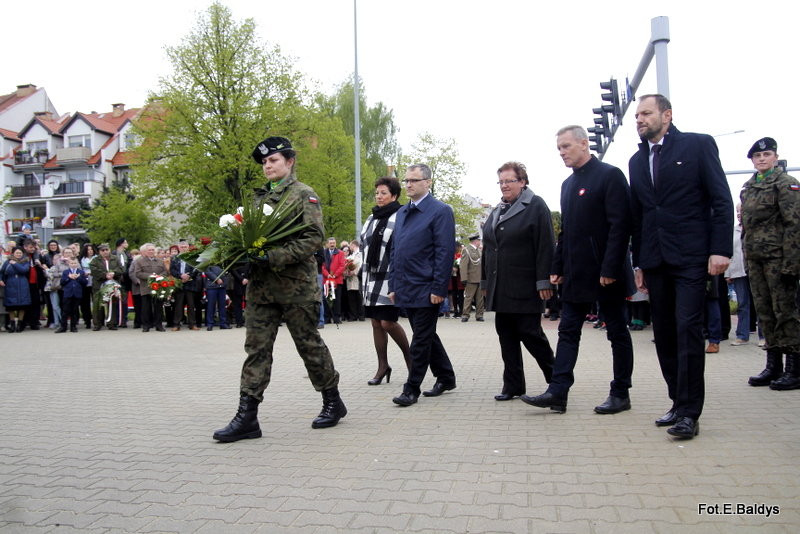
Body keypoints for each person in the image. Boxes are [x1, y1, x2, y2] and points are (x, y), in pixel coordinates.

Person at [213, 136, 346, 442]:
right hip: (262, 290)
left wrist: (273, 256)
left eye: (273, 160)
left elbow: (313, 238)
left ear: (289, 161)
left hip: (296, 287)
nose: (267, 166)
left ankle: (332, 401)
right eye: (264, 163)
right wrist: (240, 257)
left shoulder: (304, 195)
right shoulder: (257, 199)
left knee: (309, 346)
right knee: (256, 350)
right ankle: (247, 418)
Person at [629, 94, 733, 439]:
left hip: (691, 256)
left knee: (688, 329)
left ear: (667, 115)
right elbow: (641, 214)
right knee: (666, 335)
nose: (639, 119)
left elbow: (721, 199)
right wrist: (640, 262)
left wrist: (720, 250)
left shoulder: (697, 146)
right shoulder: (636, 161)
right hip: (655, 260)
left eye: (646, 113)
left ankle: (690, 412)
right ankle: (676, 401)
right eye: (637, 115)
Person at [521, 126, 634, 415]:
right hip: (576, 273)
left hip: (606, 273)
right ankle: (558, 391)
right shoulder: (568, 185)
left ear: (584, 144)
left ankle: (620, 392)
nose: (562, 153)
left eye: (567, 146)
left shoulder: (610, 175)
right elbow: (566, 231)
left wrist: (610, 267)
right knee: (568, 331)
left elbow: (620, 226)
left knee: (617, 332)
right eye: (559, 148)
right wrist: (557, 267)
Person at [482, 161, 556, 401]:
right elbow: (488, 250)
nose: (504, 186)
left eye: (509, 181)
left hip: (525, 285)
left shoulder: (535, 205)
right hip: (500, 285)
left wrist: (544, 281)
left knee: (531, 334)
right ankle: (513, 385)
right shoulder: (497, 210)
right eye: (501, 181)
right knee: (506, 334)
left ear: (523, 181)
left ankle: (557, 381)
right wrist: (485, 283)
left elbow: (545, 245)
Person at [388, 163, 457, 406]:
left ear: (427, 182)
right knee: (424, 335)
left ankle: (411, 388)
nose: (408, 184)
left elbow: (444, 252)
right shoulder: (403, 212)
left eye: (414, 180)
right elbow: (396, 250)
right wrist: (394, 284)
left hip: (427, 287)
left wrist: (439, 288)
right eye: (406, 180)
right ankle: (446, 377)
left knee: (420, 341)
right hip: (407, 286)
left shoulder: (440, 211)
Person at [740, 137, 800, 390]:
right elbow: (747, 225)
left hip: (779, 259)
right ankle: (772, 365)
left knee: (785, 312)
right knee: (765, 312)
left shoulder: (786, 184)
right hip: (755, 258)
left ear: (775, 157)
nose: (762, 159)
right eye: (757, 156)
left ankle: (794, 368)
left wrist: (792, 265)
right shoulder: (749, 186)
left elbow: (795, 225)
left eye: (767, 155)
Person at [360, 177, 412, 385]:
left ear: (394, 195)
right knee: (375, 323)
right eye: (377, 193)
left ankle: (411, 361)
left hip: (391, 276)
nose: (379, 197)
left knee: (388, 322)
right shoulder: (371, 217)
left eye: (383, 193)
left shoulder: (401, 215)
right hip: (371, 277)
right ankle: (383, 366)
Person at [132, 243, 169, 332]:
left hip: (158, 288)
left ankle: (159, 325)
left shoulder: (160, 261)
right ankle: (146, 326)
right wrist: (150, 276)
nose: (151, 251)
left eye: (153, 250)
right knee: (146, 308)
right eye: (149, 250)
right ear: (145, 251)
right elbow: (138, 273)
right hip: (146, 287)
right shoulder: (139, 261)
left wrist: (159, 277)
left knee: (158, 307)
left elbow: (165, 272)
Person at [89, 243, 123, 330]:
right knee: (98, 304)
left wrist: (114, 273)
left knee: (113, 304)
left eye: (106, 250)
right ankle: (98, 324)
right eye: (102, 250)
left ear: (109, 250)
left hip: (113, 285)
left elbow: (121, 268)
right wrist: (105, 275)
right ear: (99, 252)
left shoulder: (115, 258)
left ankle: (112, 323)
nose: (105, 252)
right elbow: (93, 270)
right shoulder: (95, 260)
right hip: (99, 285)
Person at [170, 240, 202, 331]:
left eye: (185, 247)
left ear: (188, 247)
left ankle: (192, 324)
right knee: (178, 305)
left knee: (191, 305)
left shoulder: (192, 257)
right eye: (182, 247)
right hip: (179, 284)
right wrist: (180, 276)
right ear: (179, 248)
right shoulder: (175, 258)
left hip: (191, 284)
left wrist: (189, 276)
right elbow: (172, 270)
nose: (183, 248)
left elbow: (196, 269)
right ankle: (176, 324)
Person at [1, 247, 32, 332]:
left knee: (22, 305)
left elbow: (23, 270)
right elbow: (2, 271)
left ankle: (20, 324)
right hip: (10, 284)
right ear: (13, 253)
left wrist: (15, 263)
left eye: (20, 253)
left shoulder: (25, 261)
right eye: (17, 253)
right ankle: (12, 324)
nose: (18, 254)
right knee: (11, 306)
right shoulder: (7, 262)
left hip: (22, 284)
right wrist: (1, 280)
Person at [56, 258, 88, 333]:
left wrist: (78, 277)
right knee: (65, 310)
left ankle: (73, 326)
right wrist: (69, 278)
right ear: (69, 264)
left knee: (74, 310)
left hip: (77, 294)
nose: (73, 265)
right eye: (72, 263)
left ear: (77, 264)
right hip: (68, 293)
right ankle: (63, 326)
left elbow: (85, 283)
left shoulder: (81, 272)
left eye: (75, 263)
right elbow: (62, 282)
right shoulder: (66, 272)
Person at [459, 234, 484, 322]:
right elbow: (463, 265)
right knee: (469, 297)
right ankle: (465, 315)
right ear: (475, 241)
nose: (480, 242)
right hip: (471, 278)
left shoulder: (479, 251)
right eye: (479, 240)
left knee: (480, 299)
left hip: (480, 278)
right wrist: (464, 278)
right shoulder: (467, 250)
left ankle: (479, 315)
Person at [322, 237, 345, 324]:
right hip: (326, 280)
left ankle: (336, 317)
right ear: (327, 244)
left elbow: (342, 265)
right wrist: (327, 275)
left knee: (337, 300)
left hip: (337, 280)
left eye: (333, 243)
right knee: (327, 298)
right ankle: (327, 317)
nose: (332, 244)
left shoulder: (341, 253)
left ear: (336, 243)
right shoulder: (323, 253)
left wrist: (335, 275)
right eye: (330, 243)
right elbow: (322, 266)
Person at [203, 264, 230, 330]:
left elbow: (227, 271)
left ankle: (223, 323)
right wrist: (216, 279)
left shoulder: (222, 260)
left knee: (222, 305)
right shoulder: (208, 258)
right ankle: (210, 324)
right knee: (211, 306)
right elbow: (206, 271)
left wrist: (224, 282)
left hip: (222, 286)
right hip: (212, 285)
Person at [113, 238, 132, 328]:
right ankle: (115, 320)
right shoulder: (113, 254)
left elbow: (130, 265)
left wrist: (125, 274)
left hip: (125, 280)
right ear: (121, 244)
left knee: (124, 301)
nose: (127, 244)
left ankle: (123, 320)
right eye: (125, 242)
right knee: (115, 301)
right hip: (115, 280)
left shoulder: (127, 255)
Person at [344, 240, 365, 322]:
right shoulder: (351, 255)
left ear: (353, 245)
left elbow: (361, 264)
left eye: (350, 246)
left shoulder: (361, 254)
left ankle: (361, 315)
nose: (349, 247)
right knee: (351, 298)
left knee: (359, 297)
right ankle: (353, 315)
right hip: (350, 278)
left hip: (358, 277)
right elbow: (346, 264)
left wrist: (354, 272)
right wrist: (347, 272)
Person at [78, 243, 96, 329]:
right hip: (85, 283)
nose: (90, 251)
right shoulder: (81, 259)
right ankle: (87, 320)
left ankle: (98, 320)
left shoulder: (97, 258)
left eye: (91, 249)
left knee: (97, 302)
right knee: (85, 303)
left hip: (95, 282)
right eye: (88, 250)